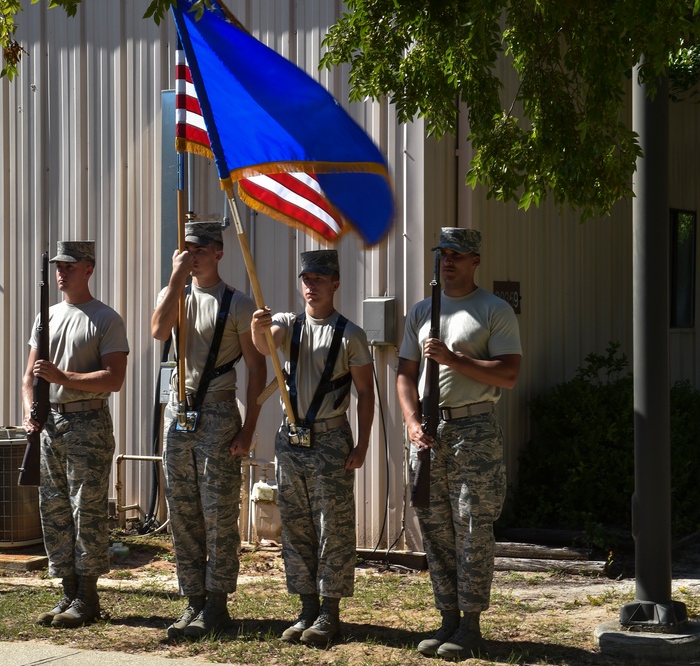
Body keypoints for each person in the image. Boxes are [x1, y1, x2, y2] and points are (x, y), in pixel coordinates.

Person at [396, 227, 522, 660]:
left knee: (472, 529)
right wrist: (412, 420)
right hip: (431, 434)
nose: (447, 262)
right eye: (442, 254)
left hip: (476, 433)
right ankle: (447, 616)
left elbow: (508, 374)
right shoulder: (421, 311)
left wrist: (456, 360)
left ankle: (471, 624)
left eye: (457, 255)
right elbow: (404, 375)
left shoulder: (493, 310)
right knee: (435, 529)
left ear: (475, 262)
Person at [251, 249, 375, 647]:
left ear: (336, 283)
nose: (312, 286)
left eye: (320, 279)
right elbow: (266, 344)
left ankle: (329, 613)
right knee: (297, 527)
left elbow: (366, 394)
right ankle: (306, 606)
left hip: (330, 439)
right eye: (306, 279)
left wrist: (362, 444)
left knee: (332, 529)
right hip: (291, 440)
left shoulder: (350, 334)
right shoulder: (289, 324)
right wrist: (258, 326)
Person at [150, 221, 267, 639]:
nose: (193, 255)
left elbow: (257, 367)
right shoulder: (176, 294)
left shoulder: (236, 303)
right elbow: (158, 331)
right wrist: (174, 278)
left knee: (217, 515)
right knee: (182, 513)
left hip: (217, 413)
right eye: (187, 249)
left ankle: (216, 603)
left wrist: (249, 427)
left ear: (219, 252)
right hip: (178, 416)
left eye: (201, 249)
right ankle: (192, 599)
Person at [22, 240, 129, 629]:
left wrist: (64, 378)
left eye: (69, 265)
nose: (61, 272)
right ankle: (67, 590)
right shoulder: (46, 318)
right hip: (51, 425)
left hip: (88, 424)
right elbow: (30, 375)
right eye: (57, 266)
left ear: (89, 268)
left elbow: (114, 378)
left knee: (88, 511)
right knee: (55, 510)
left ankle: (87, 595)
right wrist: (31, 410)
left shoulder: (105, 318)